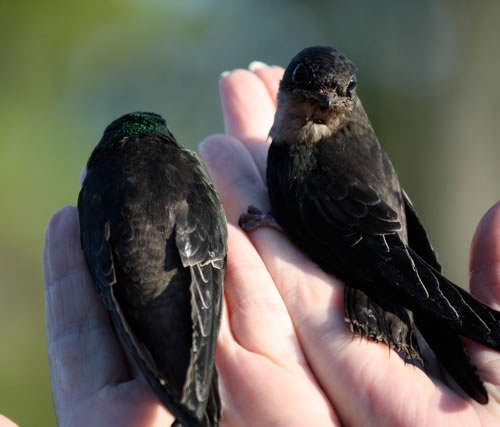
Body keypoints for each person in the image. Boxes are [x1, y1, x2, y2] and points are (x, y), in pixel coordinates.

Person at [42, 63, 500, 426]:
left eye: (341, 91)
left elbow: (384, 240)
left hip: (376, 267)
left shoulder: (297, 157)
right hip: (381, 256)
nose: (326, 99)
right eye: (308, 87)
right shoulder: (298, 150)